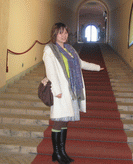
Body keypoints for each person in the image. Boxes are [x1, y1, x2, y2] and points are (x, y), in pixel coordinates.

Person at [42, 22, 104, 164]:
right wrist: (56, 91)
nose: (64, 35)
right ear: (55, 34)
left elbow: (80, 63)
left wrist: (97, 67)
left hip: (72, 90)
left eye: (65, 32)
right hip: (61, 92)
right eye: (60, 33)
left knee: (65, 121)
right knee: (58, 121)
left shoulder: (70, 49)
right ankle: (57, 153)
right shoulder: (50, 49)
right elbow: (50, 71)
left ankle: (61, 152)